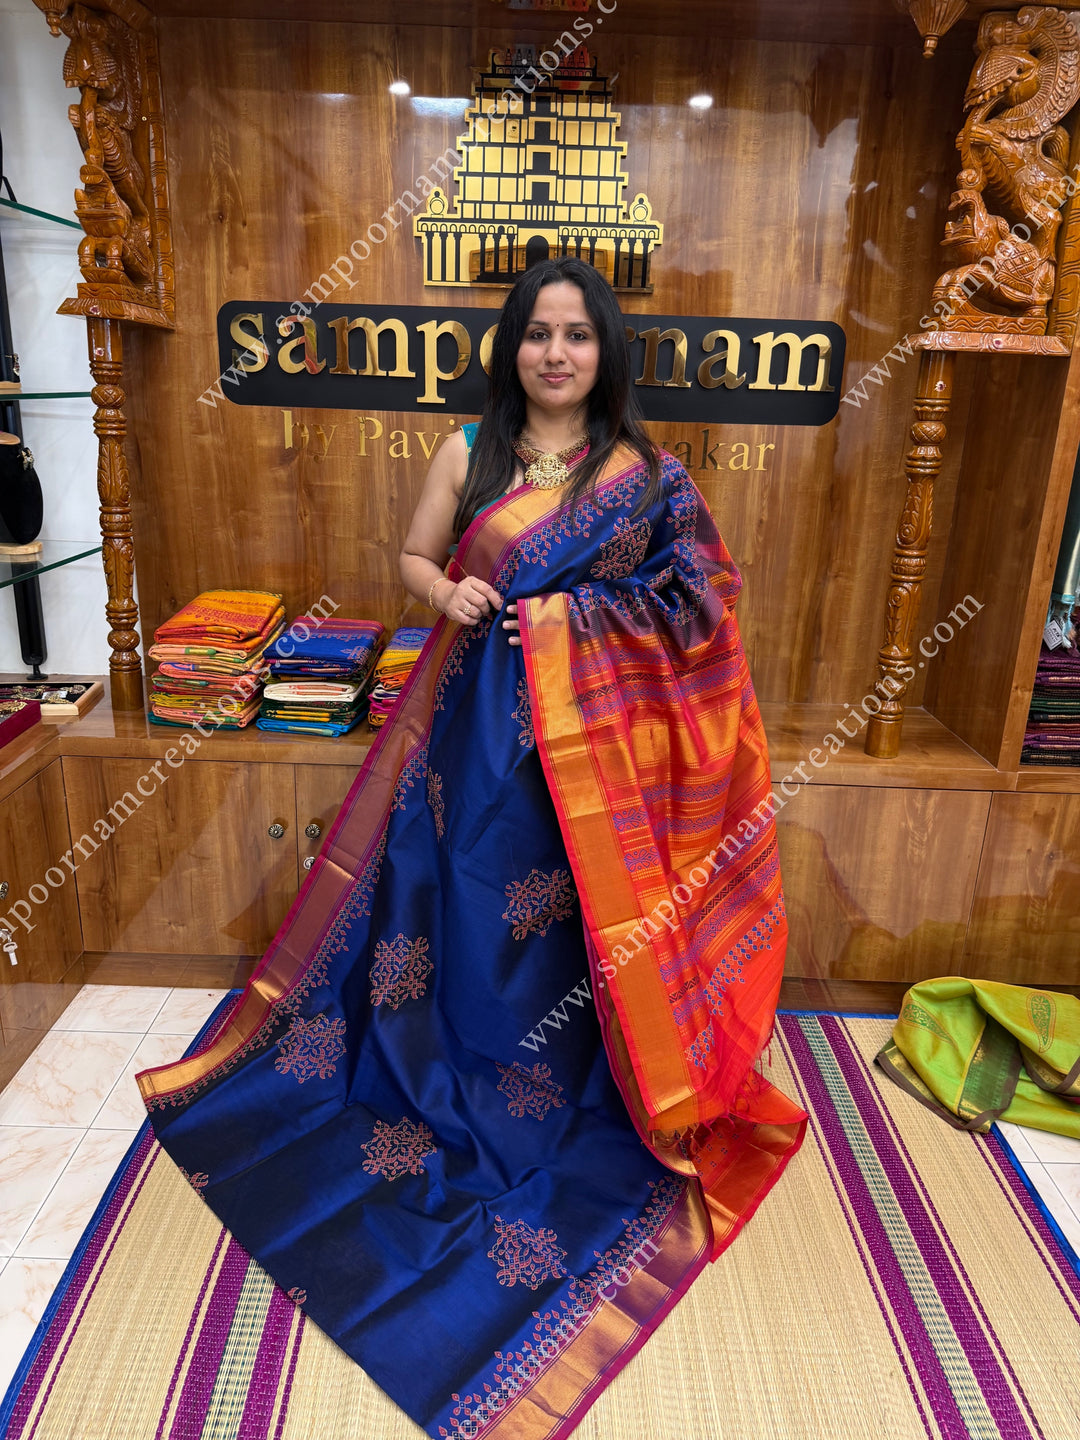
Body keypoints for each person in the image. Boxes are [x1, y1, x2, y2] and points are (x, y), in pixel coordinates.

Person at [138, 258, 806, 1439]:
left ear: (605, 350)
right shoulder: (468, 453)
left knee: (573, 927)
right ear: (511, 347)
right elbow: (413, 558)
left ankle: (567, 1084)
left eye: (577, 335)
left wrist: (563, 621)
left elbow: (704, 605)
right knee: (466, 908)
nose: (556, 353)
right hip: (475, 738)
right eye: (537, 333)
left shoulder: (648, 477)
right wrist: (441, 595)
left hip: (594, 762)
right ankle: (456, 1066)